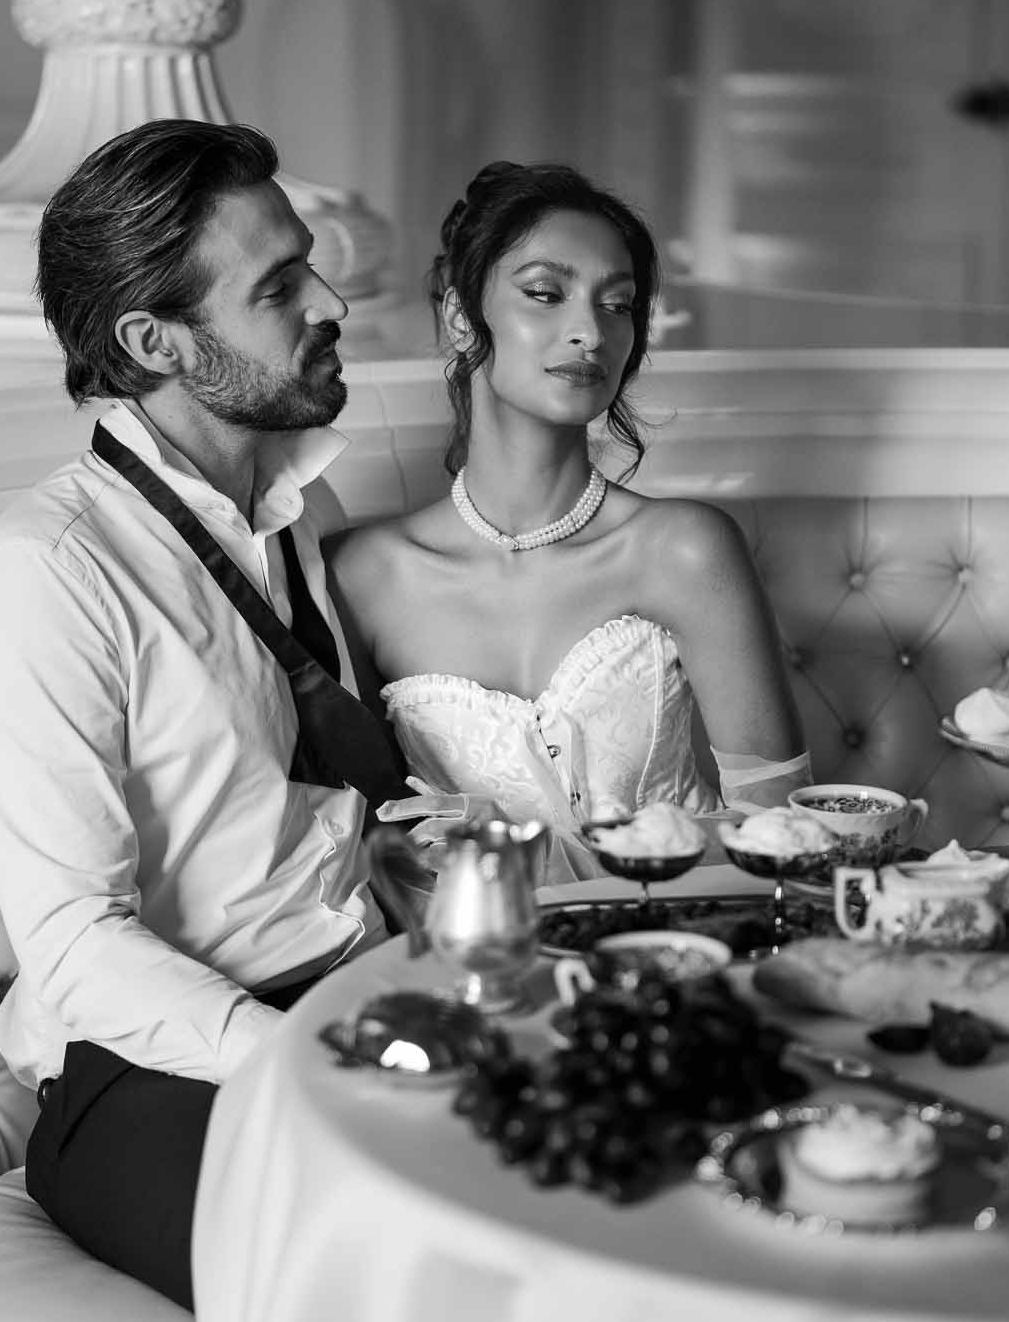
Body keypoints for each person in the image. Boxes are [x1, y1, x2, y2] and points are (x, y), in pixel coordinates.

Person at [0, 118, 407, 1312]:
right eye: (278, 286)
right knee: (375, 1276)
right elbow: (73, 944)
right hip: (150, 1070)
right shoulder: (51, 568)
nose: (329, 301)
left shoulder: (295, 504)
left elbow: (292, 813)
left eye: (308, 264)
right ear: (155, 340)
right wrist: (300, 1061)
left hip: (345, 989)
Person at [325, 158, 809, 883]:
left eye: (617, 305)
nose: (589, 331)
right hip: (476, 965)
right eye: (545, 294)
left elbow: (783, 833)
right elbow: (368, 847)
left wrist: (534, 853)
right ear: (461, 317)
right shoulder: (362, 575)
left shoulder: (683, 550)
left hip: (680, 945)